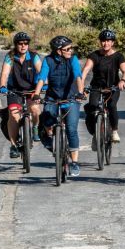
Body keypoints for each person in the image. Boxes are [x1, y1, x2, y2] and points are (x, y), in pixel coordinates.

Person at [33, 36, 85, 177]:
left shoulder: (73, 59)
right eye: (67, 49)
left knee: (71, 129)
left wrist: (80, 92)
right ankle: (49, 140)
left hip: (71, 98)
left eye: (70, 48)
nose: (70, 51)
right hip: (53, 98)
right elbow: (42, 77)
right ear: (58, 51)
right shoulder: (48, 60)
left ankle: (74, 163)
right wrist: (37, 94)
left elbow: (78, 76)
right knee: (46, 121)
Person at [81, 29, 125, 147]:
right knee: (92, 106)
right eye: (103, 41)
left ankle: (114, 131)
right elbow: (86, 70)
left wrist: (122, 80)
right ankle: (95, 133)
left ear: (112, 42)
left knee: (112, 106)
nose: (105, 43)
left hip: (113, 87)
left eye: (108, 41)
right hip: (96, 87)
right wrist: (81, 85)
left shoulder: (118, 56)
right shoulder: (94, 55)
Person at [0, 31, 42, 158]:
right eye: (20, 44)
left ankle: (35, 128)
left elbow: (41, 72)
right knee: (14, 115)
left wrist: (43, 85)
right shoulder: (10, 57)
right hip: (14, 90)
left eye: (26, 43)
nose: (23, 46)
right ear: (15, 45)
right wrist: (3, 85)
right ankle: (13, 145)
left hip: (31, 90)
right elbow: (5, 73)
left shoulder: (34, 56)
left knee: (35, 110)